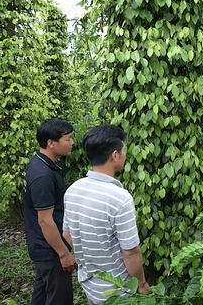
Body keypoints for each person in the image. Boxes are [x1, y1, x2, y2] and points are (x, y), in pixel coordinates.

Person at [63, 125, 149, 304]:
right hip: (119, 292)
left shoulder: (72, 190)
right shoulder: (120, 198)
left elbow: (67, 234)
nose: (125, 154)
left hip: (90, 285)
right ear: (115, 155)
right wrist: (141, 283)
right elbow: (131, 253)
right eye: (123, 150)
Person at [24, 119, 76, 305]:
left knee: (42, 294)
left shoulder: (46, 164)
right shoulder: (42, 175)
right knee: (59, 299)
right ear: (51, 143)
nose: (72, 143)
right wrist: (63, 254)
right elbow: (45, 221)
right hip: (50, 249)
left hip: (42, 246)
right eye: (67, 139)